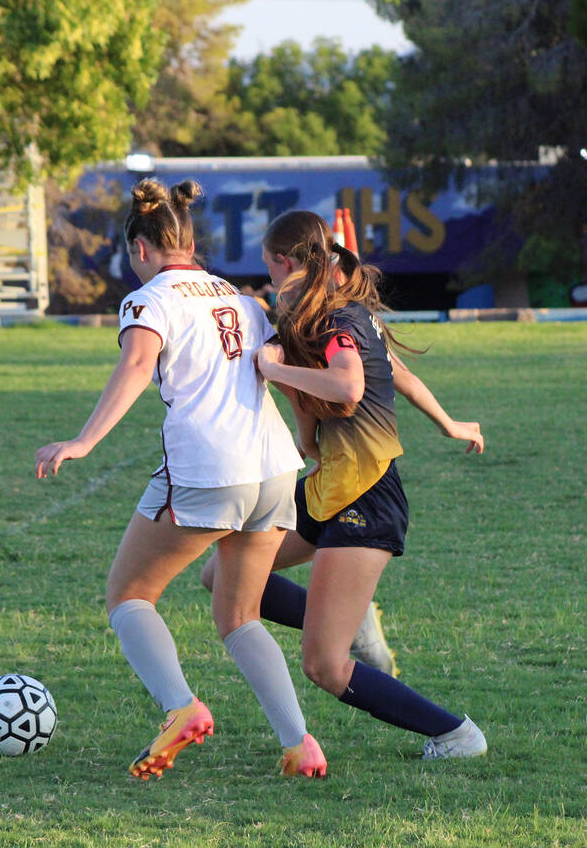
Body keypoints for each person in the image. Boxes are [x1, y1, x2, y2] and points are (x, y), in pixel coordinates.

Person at [35, 179, 326, 779]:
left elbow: (139, 364)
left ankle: (180, 707)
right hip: (273, 468)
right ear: (190, 241)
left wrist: (83, 440)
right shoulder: (239, 298)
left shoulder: (150, 298)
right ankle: (300, 743)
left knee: (128, 595)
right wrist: (309, 442)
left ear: (140, 248)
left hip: (209, 469)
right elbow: (283, 372)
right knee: (239, 615)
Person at [205, 209, 487, 761]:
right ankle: (346, 615)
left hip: (368, 495)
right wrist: (448, 422)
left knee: (325, 666)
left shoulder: (335, 320)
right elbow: (396, 375)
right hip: (330, 483)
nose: (269, 281)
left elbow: (350, 387)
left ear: (286, 262)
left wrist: (273, 369)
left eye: (269, 268)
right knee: (222, 575)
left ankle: (457, 734)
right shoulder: (333, 312)